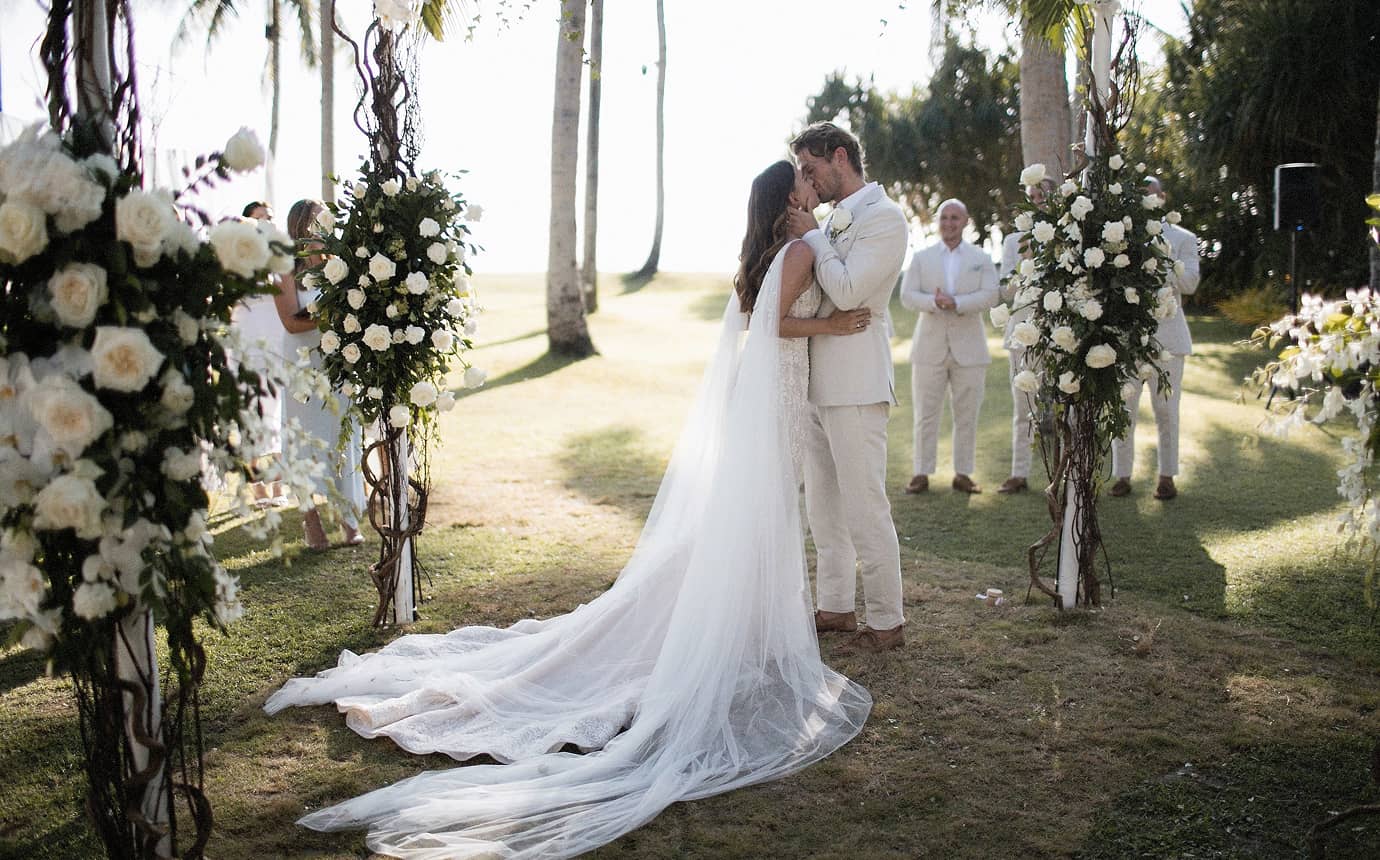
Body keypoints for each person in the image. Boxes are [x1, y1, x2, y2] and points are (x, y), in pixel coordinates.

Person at [263, 164, 874, 859]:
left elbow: (762, 311)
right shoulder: (797, 249)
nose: (810, 190)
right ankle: (738, 630)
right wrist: (843, 310)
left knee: (752, 518)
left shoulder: (769, 251)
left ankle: (749, 624)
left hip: (768, 396)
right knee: (758, 515)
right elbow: (777, 324)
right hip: (777, 393)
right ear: (785, 197)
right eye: (801, 184)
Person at [785, 121, 909, 653]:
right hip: (814, 381)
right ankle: (834, 606)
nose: (807, 183)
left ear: (840, 157)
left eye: (811, 170)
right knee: (824, 509)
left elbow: (850, 289)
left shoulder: (885, 219)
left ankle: (886, 621)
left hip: (857, 383)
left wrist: (810, 232)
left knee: (864, 506)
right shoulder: (832, 221)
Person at [275, 199, 366, 549]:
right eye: (318, 220)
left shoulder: (337, 265)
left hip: (337, 361)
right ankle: (311, 522)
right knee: (304, 439)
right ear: (301, 226)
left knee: (342, 432)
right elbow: (290, 321)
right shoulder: (285, 267)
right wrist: (332, 313)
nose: (325, 225)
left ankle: (348, 519)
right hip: (301, 362)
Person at [898, 199, 999, 495]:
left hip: (970, 349)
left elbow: (991, 295)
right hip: (929, 347)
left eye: (955, 218)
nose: (948, 223)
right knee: (925, 413)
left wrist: (958, 303)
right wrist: (933, 302)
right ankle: (921, 472)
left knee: (966, 414)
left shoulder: (981, 257)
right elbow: (906, 296)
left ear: (965, 222)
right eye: (944, 218)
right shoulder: (921, 257)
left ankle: (963, 473)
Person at [1110, 177, 1201, 501]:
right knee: (1124, 409)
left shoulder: (1183, 238)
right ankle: (1122, 475)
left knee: (1166, 410)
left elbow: (1190, 283)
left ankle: (1166, 476)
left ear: (1162, 198)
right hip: (1129, 337)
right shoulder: (1121, 236)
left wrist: (1164, 260)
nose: (1145, 202)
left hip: (1169, 339)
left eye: (1150, 196)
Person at [233, 200, 289, 505]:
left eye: (269, 218)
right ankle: (256, 486)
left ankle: (279, 486)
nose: (265, 224)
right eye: (258, 220)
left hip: (276, 340)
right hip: (247, 342)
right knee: (251, 414)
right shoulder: (237, 263)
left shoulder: (279, 258)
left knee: (279, 413)